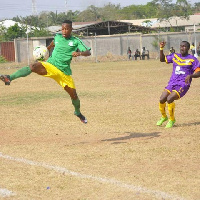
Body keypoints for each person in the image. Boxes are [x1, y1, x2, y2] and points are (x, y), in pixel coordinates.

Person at [0, 20, 91, 124]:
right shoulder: (57, 37)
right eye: (62, 29)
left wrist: (79, 53)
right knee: (33, 66)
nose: (64, 31)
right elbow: (52, 44)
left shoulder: (76, 41)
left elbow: (88, 52)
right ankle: (9, 77)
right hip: (50, 65)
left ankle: (77, 112)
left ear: (71, 29)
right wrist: (45, 50)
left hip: (64, 72)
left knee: (74, 95)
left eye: (66, 29)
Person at [157, 41, 200, 128]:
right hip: (172, 82)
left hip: (183, 84)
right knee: (162, 99)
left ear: (188, 48)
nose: (182, 48)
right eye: (181, 46)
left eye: (184, 46)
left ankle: (172, 119)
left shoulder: (192, 59)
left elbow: (199, 72)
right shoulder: (175, 56)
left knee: (170, 99)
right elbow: (162, 59)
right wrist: (161, 48)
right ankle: (164, 117)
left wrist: (191, 75)